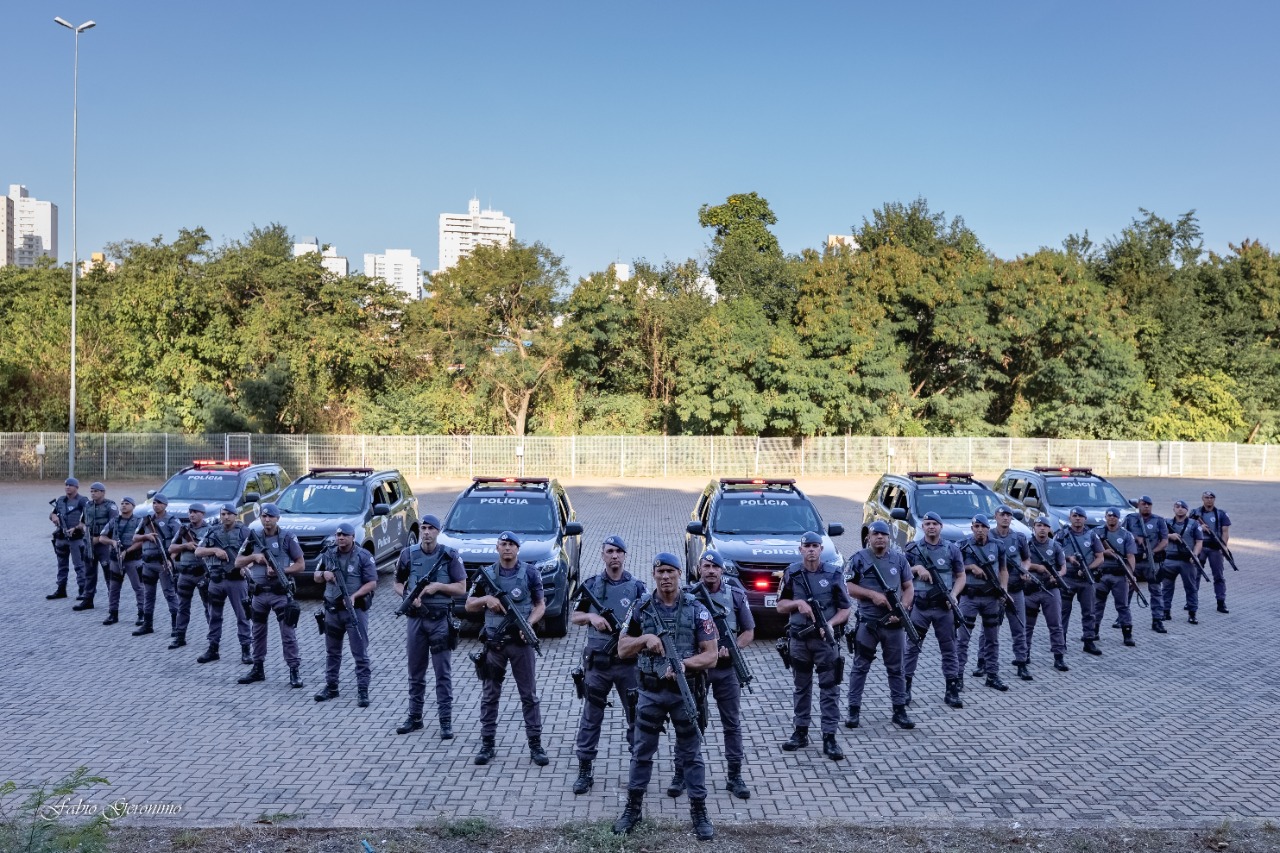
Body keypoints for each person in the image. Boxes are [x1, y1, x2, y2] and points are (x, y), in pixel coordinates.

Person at [612, 553, 718, 840]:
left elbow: (711, 656)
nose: (666, 577)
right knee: (641, 752)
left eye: (671, 571)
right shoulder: (640, 608)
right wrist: (644, 640)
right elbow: (622, 649)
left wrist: (684, 665)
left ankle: (699, 811)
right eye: (660, 571)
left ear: (680, 574)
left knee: (691, 755)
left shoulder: (697, 610)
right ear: (654, 574)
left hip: (685, 694)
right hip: (650, 693)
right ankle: (633, 809)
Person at [569, 534, 645, 795]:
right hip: (598, 665)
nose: (614, 555)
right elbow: (575, 616)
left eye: (619, 551)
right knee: (591, 717)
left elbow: (649, 619)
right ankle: (584, 769)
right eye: (609, 551)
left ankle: (638, 767)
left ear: (625, 556)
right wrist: (592, 616)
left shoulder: (638, 588)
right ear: (602, 555)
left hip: (628, 664)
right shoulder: (591, 585)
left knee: (636, 717)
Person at [466, 531, 547, 766]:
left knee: (529, 696)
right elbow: (469, 604)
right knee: (490, 695)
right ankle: (487, 744)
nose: (507, 548)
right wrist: (486, 601)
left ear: (518, 549)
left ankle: (535, 745)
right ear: (497, 548)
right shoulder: (487, 575)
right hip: (495, 645)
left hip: (521, 645)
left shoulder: (530, 572)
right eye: (503, 544)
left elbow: (541, 605)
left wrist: (529, 624)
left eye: (512, 544)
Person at [680, 548, 754, 800]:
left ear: (722, 570)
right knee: (690, 719)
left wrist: (733, 648)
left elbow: (748, 632)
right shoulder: (688, 596)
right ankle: (682, 773)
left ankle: (735, 775)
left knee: (731, 723)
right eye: (706, 567)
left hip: (725, 670)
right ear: (699, 569)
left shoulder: (734, 594)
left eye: (715, 567)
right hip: (698, 669)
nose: (711, 571)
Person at [776, 531, 851, 760]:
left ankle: (829, 737)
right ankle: (800, 732)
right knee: (801, 687)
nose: (811, 550)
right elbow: (780, 606)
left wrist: (830, 624)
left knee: (829, 689)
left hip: (825, 642)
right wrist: (798, 603)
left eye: (815, 546)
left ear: (821, 549)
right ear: (800, 550)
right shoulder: (792, 573)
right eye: (807, 546)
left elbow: (846, 609)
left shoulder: (834, 573)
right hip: (799, 640)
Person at [394, 514, 466, 738]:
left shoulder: (449, 555)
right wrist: (407, 596)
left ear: (437, 532)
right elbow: (397, 583)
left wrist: (437, 587)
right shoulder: (408, 554)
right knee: (415, 672)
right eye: (423, 528)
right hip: (415, 620)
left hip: (440, 621)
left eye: (430, 529)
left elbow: (462, 588)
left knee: (442, 673)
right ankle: (415, 717)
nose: (426, 532)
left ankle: (445, 721)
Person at [845, 520, 916, 728]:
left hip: (893, 625)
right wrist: (871, 595)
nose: (880, 538)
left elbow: (909, 587)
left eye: (884, 535)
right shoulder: (858, 559)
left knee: (896, 669)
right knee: (860, 667)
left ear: (889, 538)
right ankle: (853, 711)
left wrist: (902, 609)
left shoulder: (899, 559)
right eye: (876, 534)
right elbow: (847, 587)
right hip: (868, 624)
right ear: (868, 537)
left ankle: (899, 710)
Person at [234, 503, 305, 688]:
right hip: (259, 594)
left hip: (280, 593)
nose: (267, 520)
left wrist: (282, 570)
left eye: (270, 517)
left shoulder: (287, 537)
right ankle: (258, 668)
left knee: (288, 634)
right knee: (257, 633)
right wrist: (253, 558)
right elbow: (237, 562)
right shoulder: (253, 536)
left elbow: (301, 564)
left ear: (277, 518)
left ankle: (294, 670)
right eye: (264, 517)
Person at [903, 512, 966, 709]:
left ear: (941, 527)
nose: (931, 527)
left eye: (935, 524)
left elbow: (961, 576)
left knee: (949, 650)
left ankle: (952, 689)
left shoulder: (951, 549)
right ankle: (905, 688)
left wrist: (954, 595)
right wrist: (917, 569)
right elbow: (901, 574)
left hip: (943, 608)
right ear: (922, 527)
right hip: (919, 607)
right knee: (911, 649)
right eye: (927, 523)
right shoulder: (912, 549)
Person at [313, 523, 378, 707]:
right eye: (338, 535)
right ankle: (331, 687)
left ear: (353, 537)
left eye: (345, 535)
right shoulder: (329, 554)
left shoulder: (363, 556)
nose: (341, 538)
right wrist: (323, 574)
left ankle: (363, 691)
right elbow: (315, 575)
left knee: (360, 653)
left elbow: (372, 583)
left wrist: (355, 596)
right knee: (332, 652)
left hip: (354, 612)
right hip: (332, 611)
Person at [193, 504, 253, 664]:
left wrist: (246, 567)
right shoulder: (213, 531)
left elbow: (257, 554)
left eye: (229, 514)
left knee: (243, 616)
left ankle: (246, 649)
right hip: (216, 580)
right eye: (223, 513)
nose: (225, 517)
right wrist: (214, 551)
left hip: (236, 581)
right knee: (214, 616)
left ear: (235, 515)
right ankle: (213, 649)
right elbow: (198, 551)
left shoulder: (244, 531)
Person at [956, 515, 1010, 691]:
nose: (980, 529)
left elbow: (1003, 570)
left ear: (988, 528)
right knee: (963, 639)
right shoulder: (962, 546)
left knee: (992, 639)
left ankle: (992, 675)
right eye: (976, 526)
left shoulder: (998, 545)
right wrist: (971, 567)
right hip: (969, 598)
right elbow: (953, 569)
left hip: (991, 598)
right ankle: (958, 677)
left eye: (983, 526)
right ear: (972, 528)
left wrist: (1004, 589)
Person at [984, 506, 1032, 681]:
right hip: (993, 592)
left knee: (1019, 627)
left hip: (1015, 589)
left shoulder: (1019, 537)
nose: (1005, 518)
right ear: (995, 516)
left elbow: (1027, 559)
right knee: (989, 630)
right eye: (1002, 515)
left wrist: (1025, 570)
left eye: (1008, 515)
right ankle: (983, 662)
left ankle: (1021, 663)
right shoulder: (988, 536)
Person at [1023, 516, 1070, 673]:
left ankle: (1059, 657)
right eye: (1038, 525)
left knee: (1056, 625)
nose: (1042, 528)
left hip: (1050, 589)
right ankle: (1024, 654)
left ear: (1049, 529)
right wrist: (1038, 567)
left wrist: (1057, 575)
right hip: (1030, 590)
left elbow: (1063, 567)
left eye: (1045, 526)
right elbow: (1021, 564)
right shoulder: (1026, 545)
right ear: (1034, 528)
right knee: (1027, 626)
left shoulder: (1055, 545)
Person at [1055, 507, 1105, 656]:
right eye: (1075, 516)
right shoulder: (1061, 535)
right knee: (1063, 612)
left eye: (1080, 516)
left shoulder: (1092, 535)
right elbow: (1053, 555)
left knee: (1089, 612)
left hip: (1086, 579)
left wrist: (1087, 569)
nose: (1077, 518)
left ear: (1085, 519)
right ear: (1070, 518)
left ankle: (1089, 641)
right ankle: (1060, 642)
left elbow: (1100, 557)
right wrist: (1068, 559)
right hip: (1067, 578)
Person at [132, 495, 181, 637]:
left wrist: (170, 560)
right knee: (148, 595)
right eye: (154, 503)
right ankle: (147, 624)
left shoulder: (172, 521)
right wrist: (146, 537)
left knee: (169, 594)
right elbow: (135, 538)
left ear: (165, 505)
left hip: (163, 563)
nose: (156, 505)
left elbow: (178, 542)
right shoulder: (147, 520)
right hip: (147, 563)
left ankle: (175, 626)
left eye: (159, 503)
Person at [167, 503, 211, 649]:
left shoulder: (209, 530)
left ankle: (213, 637)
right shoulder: (183, 530)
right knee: (182, 607)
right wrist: (185, 546)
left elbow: (213, 550)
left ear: (202, 514)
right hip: (184, 574)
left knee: (208, 606)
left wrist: (201, 549)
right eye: (190, 512)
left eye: (195, 512)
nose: (191, 515)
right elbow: (171, 548)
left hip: (202, 573)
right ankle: (180, 636)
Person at [1094, 508, 1139, 648]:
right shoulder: (1097, 532)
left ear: (1119, 518)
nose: (1111, 518)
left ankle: (1127, 634)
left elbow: (1131, 556)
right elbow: (1090, 551)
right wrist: (1103, 552)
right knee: (1097, 605)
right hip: (1101, 575)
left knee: (1123, 606)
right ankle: (1093, 632)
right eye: (1109, 516)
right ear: (1105, 517)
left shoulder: (1126, 535)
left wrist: (1131, 575)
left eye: (1114, 516)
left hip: (1119, 575)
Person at [1123, 497, 1169, 626]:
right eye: (1143, 504)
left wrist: (1152, 552)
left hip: (1151, 562)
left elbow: (1165, 541)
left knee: (1155, 590)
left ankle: (1157, 619)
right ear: (1139, 506)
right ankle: (1123, 617)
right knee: (1128, 589)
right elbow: (1122, 535)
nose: (1146, 506)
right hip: (1134, 561)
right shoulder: (1130, 519)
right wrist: (1135, 538)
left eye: (1149, 504)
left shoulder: (1159, 520)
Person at [101, 497, 145, 627]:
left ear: (133, 506)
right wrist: (112, 542)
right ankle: (113, 613)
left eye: (127, 504)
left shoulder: (139, 521)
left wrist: (128, 551)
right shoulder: (114, 521)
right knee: (114, 588)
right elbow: (102, 537)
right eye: (122, 504)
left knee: (138, 587)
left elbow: (141, 541)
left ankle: (142, 614)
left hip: (133, 559)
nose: (124, 506)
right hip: (116, 559)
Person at [77, 482, 118, 612]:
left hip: (104, 544)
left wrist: (100, 538)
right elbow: (82, 522)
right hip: (89, 542)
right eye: (91, 491)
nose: (93, 493)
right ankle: (88, 599)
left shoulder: (110, 506)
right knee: (89, 573)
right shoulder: (88, 505)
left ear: (102, 492)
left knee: (109, 573)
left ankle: (112, 602)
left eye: (96, 491)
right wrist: (84, 530)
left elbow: (114, 524)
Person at [1163, 500, 1205, 624]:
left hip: (1187, 561)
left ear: (1187, 510)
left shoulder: (1194, 524)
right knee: (1166, 588)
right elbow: (1160, 536)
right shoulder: (1167, 523)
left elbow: (1199, 542)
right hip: (1169, 560)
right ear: (1173, 509)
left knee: (1191, 588)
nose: (1180, 509)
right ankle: (1166, 611)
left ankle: (1192, 613)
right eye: (1177, 507)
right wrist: (1171, 536)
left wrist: (1195, 555)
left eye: (1183, 507)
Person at [47, 477, 89, 601]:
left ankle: (83, 590)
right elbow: (52, 513)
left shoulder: (82, 500)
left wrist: (77, 527)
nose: (67, 487)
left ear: (77, 487)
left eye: (70, 485)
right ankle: (61, 589)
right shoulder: (60, 500)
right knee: (61, 565)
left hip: (76, 538)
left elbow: (88, 517)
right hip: (61, 537)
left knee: (79, 565)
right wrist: (54, 517)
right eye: (66, 485)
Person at [1190, 491, 1232, 614]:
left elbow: (1225, 532)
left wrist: (1223, 546)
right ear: (1202, 498)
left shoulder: (1221, 514)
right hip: (1201, 547)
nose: (1209, 500)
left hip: (1215, 548)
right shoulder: (1195, 513)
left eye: (1211, 498)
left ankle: (1221, 602)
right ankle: (1192, 601)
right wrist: (1199, 527)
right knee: (1195, 575)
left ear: (1214, 499)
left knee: (1218, 576)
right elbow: (1188, 527)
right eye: (1206, 498)